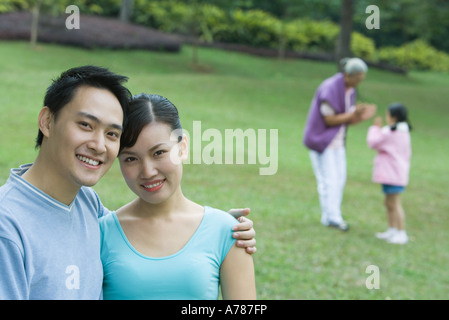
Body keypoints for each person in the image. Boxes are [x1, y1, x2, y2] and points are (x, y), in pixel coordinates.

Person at [0, 65, 256, 300]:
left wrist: (216, 228)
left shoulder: (87, 205)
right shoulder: (8, 224)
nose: (98, 145)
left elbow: (143, 232)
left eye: (111, 134)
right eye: (85, 125)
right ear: (46, 121)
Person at [100, 93, 257, 300]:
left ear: (182, 148)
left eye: (159, 153)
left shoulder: (227, 232)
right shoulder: (100, 234)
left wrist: (220, 226)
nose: (147, 171)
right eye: (131, 158)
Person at [303, 57, 377, 231]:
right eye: (357, 78)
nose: (359, 82)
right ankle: (332, 218)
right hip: (322, 140)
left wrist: (359, 117)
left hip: (338, 142)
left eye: (361, 79)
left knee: (339, 180)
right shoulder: (330, 88)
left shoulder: (350, 90)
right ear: (347, 75)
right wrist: (353, 115)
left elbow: (346, 120)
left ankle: (331, 216)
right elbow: (329, 120)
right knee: (328, 181)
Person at [367, 103, 412, 245]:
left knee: (395, 203)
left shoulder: (392, 132)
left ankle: (401, 232)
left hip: (392, 173)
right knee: (389, 202)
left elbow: (373, 142)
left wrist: (375, 128)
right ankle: (392, 230)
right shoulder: (403, 132)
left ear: (394, 117)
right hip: (395, 173)